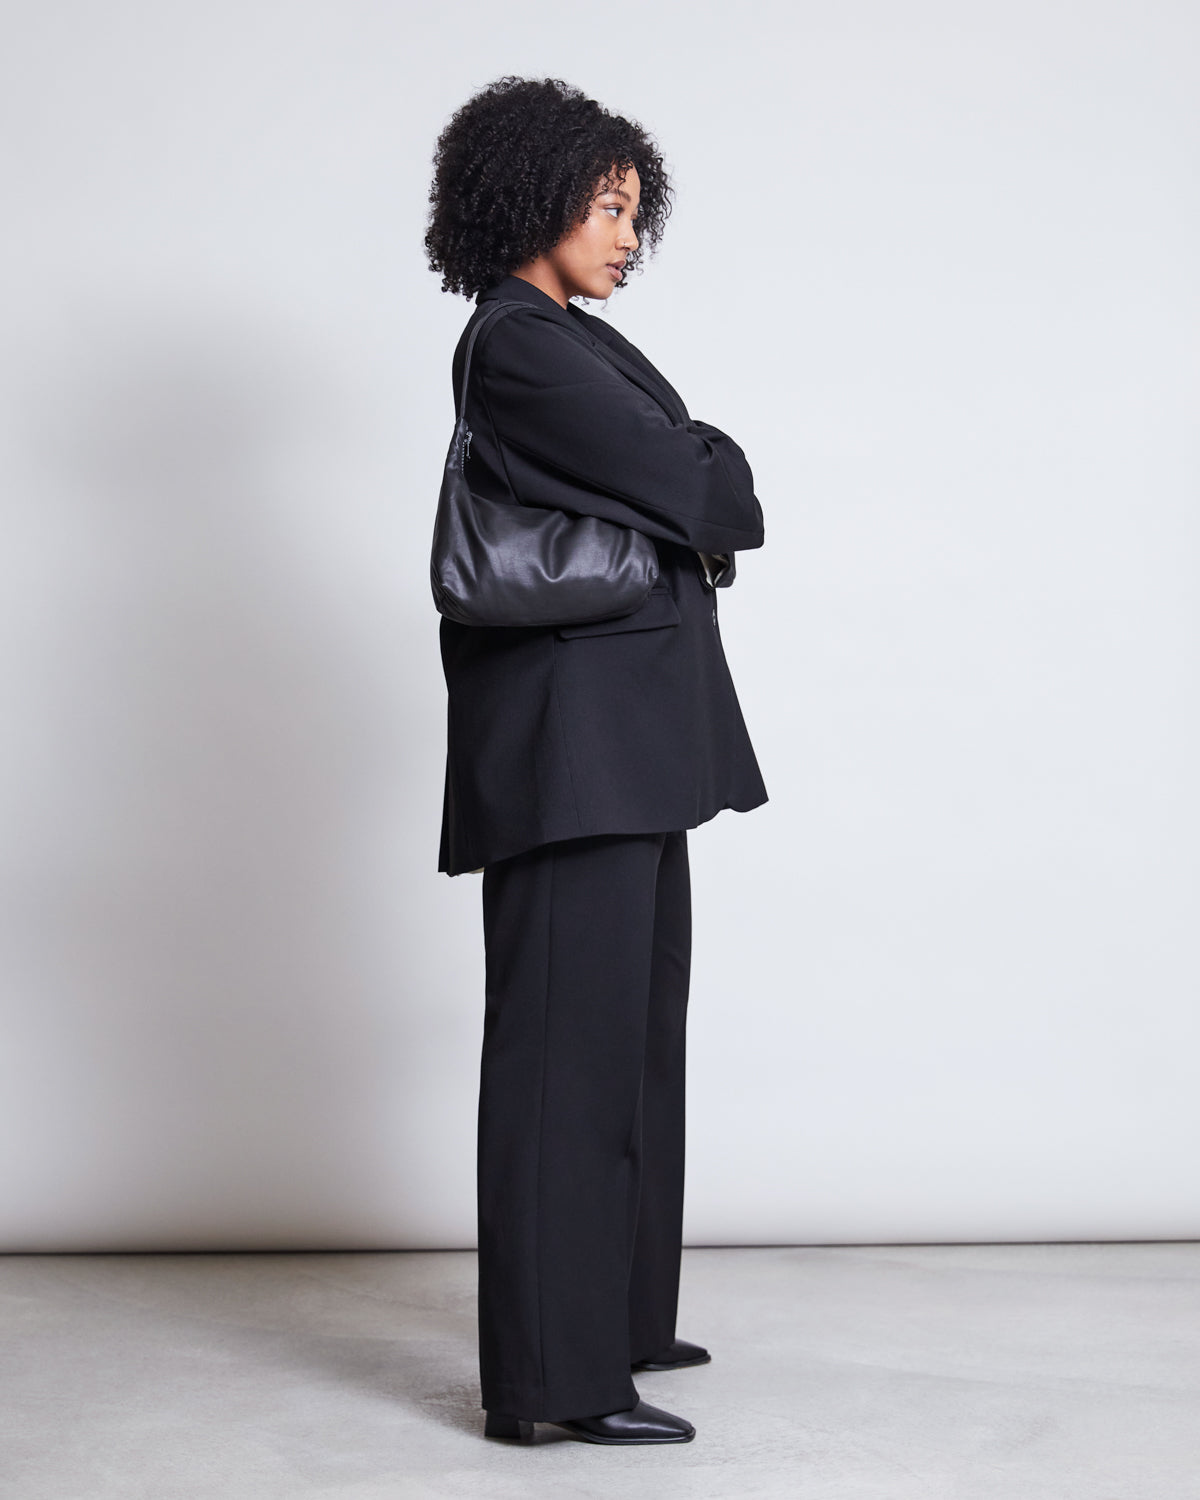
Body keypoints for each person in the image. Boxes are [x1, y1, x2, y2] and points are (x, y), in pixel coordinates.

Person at [423, 76, 768, 1446]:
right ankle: (551, 1385)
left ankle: (617, 1316)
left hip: (625, 742)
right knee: (566, 1054)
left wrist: (697, 471)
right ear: (531, 200)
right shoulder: (518, 343)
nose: (629, 236)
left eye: (636, 211)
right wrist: (705, 466)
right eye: (607, 207)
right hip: (572, 751)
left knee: (629, 1038)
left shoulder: (572, 338)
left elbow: (694, 482)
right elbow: (703, 487)